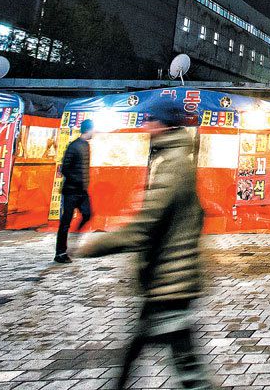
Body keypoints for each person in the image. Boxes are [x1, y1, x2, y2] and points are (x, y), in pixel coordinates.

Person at [78, 99, 214, 390]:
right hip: (170, 276)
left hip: (170, 277)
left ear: (162, 124)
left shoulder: (174, 165)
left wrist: (94, 245)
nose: (144, 125)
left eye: (149, 119)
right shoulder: (173, 159)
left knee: (150, 349)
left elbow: (146, 225)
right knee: (176, 356)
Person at [55, 118, 95, 263]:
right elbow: (65, 168)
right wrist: (77, 180)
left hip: (82, 191)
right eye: (93, 129)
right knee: (65, 222)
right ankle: (60, 253)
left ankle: (75, 236)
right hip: (71, 190)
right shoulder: (74, 146)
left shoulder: (86, 146)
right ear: (88, 130)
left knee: (88, 214)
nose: (94, 132)